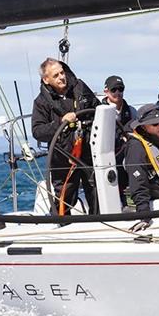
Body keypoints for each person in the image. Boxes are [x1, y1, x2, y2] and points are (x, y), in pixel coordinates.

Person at [31, 57, 100, 215]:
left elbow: (97, 108)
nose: (61, 77)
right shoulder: (41, 102)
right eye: (56, 75)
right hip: (62, 155)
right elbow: (37, 131)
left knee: (96, 191)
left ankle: (99, 223)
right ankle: (60, 224)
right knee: (64, 197)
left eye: (62, 73)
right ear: (46, 80)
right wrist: (60, 123)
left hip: (87, 149)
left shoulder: (80, 87)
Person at [102, 75, 137, 202]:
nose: (118, 92)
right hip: (107, 157)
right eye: (114, 90)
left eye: (120, 89)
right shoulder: (99, 111)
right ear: (106, 91)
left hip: (127, 156)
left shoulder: (132, 111)